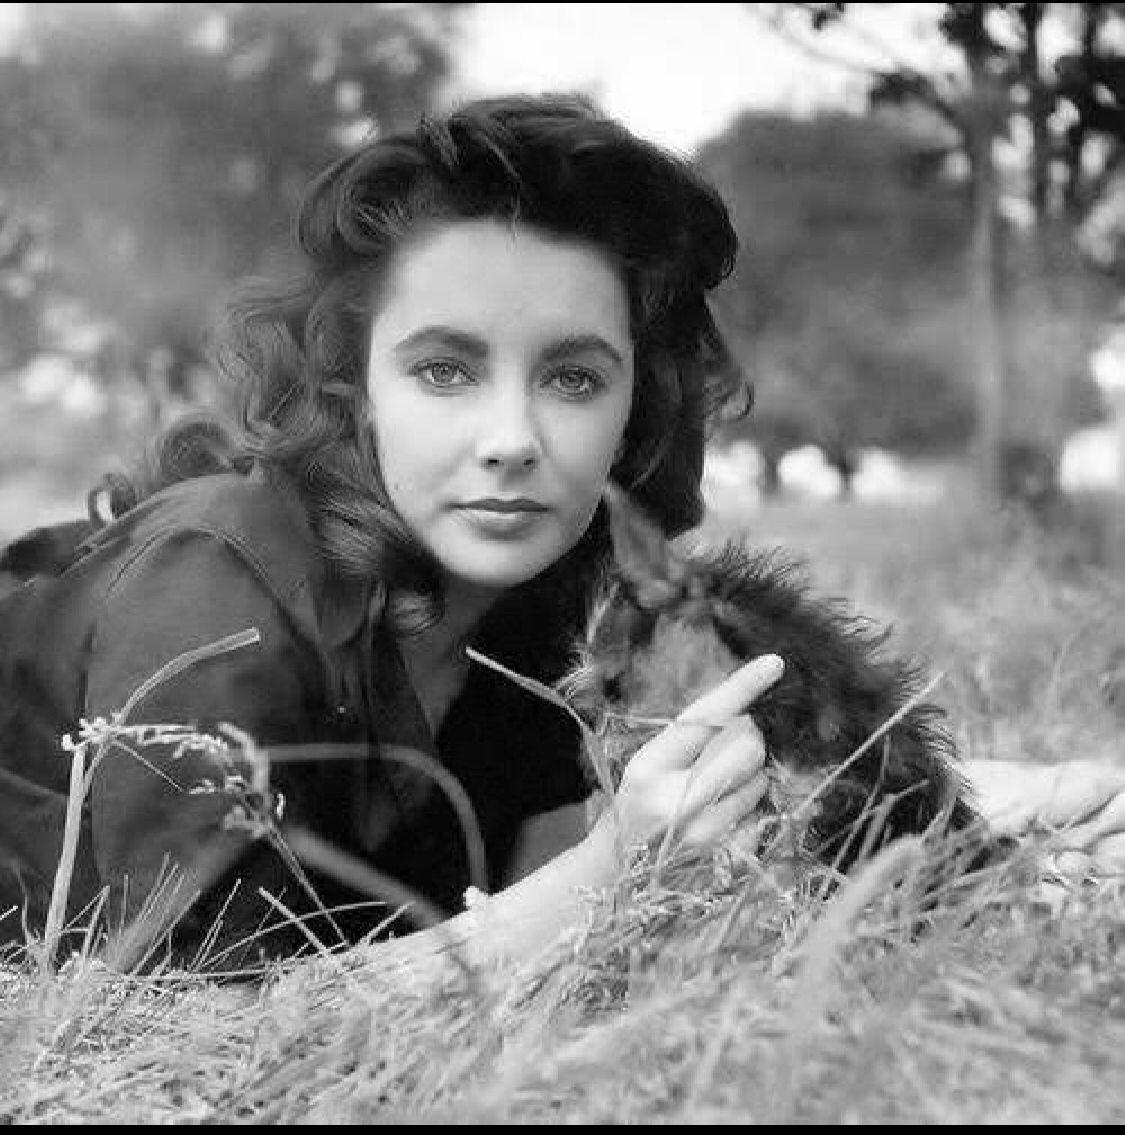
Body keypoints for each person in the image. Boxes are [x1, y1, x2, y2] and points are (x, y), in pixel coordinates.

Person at [0, 93, 780, 973]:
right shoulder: (217, 592)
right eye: (445, 370)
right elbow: (205, 1026)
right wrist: (605, 874)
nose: (512, 442)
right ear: (355, 389)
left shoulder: (542, 613)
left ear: (637, 409)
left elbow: (533, 924)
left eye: (572, 378)